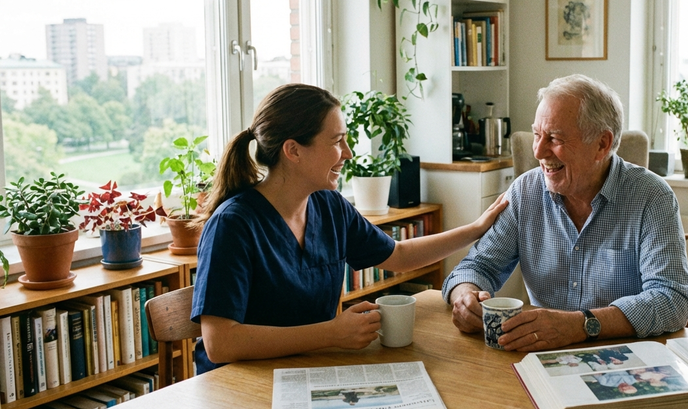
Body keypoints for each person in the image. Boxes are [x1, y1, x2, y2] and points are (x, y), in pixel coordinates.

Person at [191, 83, 507, 374]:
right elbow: (221, 343)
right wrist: (330, 334)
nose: (348, 153)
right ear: (293, 150)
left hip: (306, 370)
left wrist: (476, 229)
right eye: (336, 141)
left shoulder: (329, 206)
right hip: (236, 384)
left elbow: (399, 256)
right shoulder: (232, 224)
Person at [442, 74, 688, 352]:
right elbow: (477, 267)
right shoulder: (525, 192)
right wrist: (465, 296)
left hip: (625, 357)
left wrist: (580, 325)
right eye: (537, 135)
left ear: (602, 144)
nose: (538, 151)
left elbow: (672, 300)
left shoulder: (652, 197)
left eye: (555, 138)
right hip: (539, 355)